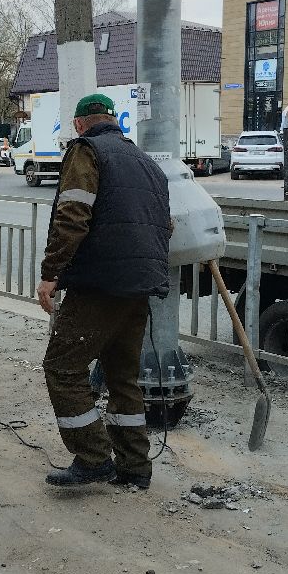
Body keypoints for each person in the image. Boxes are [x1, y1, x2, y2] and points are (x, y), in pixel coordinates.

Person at [37, 93, 171, 490]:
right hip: (139, 287)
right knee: (122, 377)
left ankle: (93, 457)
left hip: (99, 285)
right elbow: (165, 227)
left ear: (80, 124)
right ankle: (134, 467)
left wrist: (51, 273)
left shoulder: (86, 151)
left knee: (62, 367)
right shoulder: (147, 163)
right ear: (115, 121)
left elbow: (73, 215)